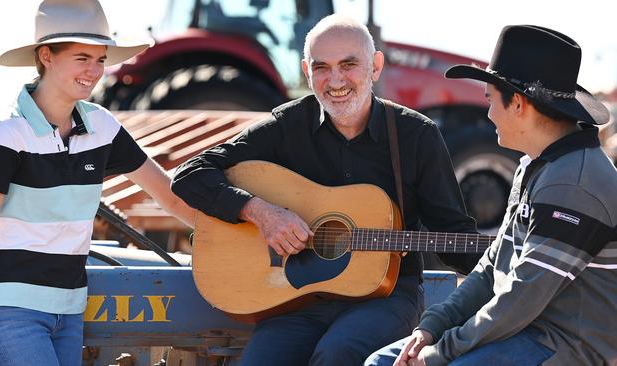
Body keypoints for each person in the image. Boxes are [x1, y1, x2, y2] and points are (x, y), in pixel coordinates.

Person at [172, 15, 479, 365]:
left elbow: (454, 234)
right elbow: (189, 175)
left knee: (338, 354)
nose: (335, 80)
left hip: (387, 297)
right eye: (322, 67)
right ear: (306, 71)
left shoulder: (416, 135)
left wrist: (504, 262)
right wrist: (262, 213)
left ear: (375, 66)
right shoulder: (287, 125)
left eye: (348, 65)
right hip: (296, 298)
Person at [365, 25, 617, 366]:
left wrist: (441, 352)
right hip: (525, 330)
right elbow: (491, 267)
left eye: (490, 100)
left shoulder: (572, 183)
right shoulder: (535, 164)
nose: (488, 114)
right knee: (381, 362)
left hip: (567, 344)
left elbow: (521, 298)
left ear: (517, 103)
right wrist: (432, 327)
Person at [0, 1, 196, 365]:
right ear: (46, 56)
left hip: (72, 310)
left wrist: (242, 236)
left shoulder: (102, 127)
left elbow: (170, 197)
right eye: (82, 58)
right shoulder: (6, 135)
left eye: (101, 59)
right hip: (15, 311)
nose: (95, 71)